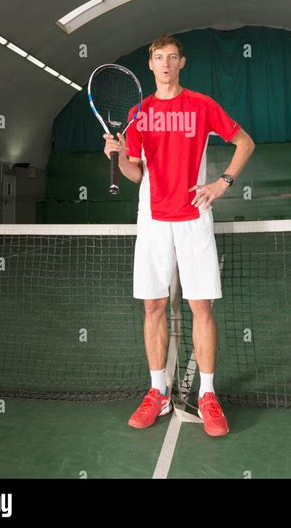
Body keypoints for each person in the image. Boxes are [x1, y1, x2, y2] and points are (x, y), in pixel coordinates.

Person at [103, 35, 255, 436]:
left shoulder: (202, 105)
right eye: (159, 58)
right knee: (152, 306)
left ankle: (207, 394)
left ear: (182, 63)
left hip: (193, 215)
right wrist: (117, 155)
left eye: (172, 57)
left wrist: (222, 183)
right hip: (152, 219)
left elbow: (245, 142)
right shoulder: (139, 112)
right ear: (149, 65)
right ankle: (158, 391)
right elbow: (135, 172)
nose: (166, 64)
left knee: (201, 306)